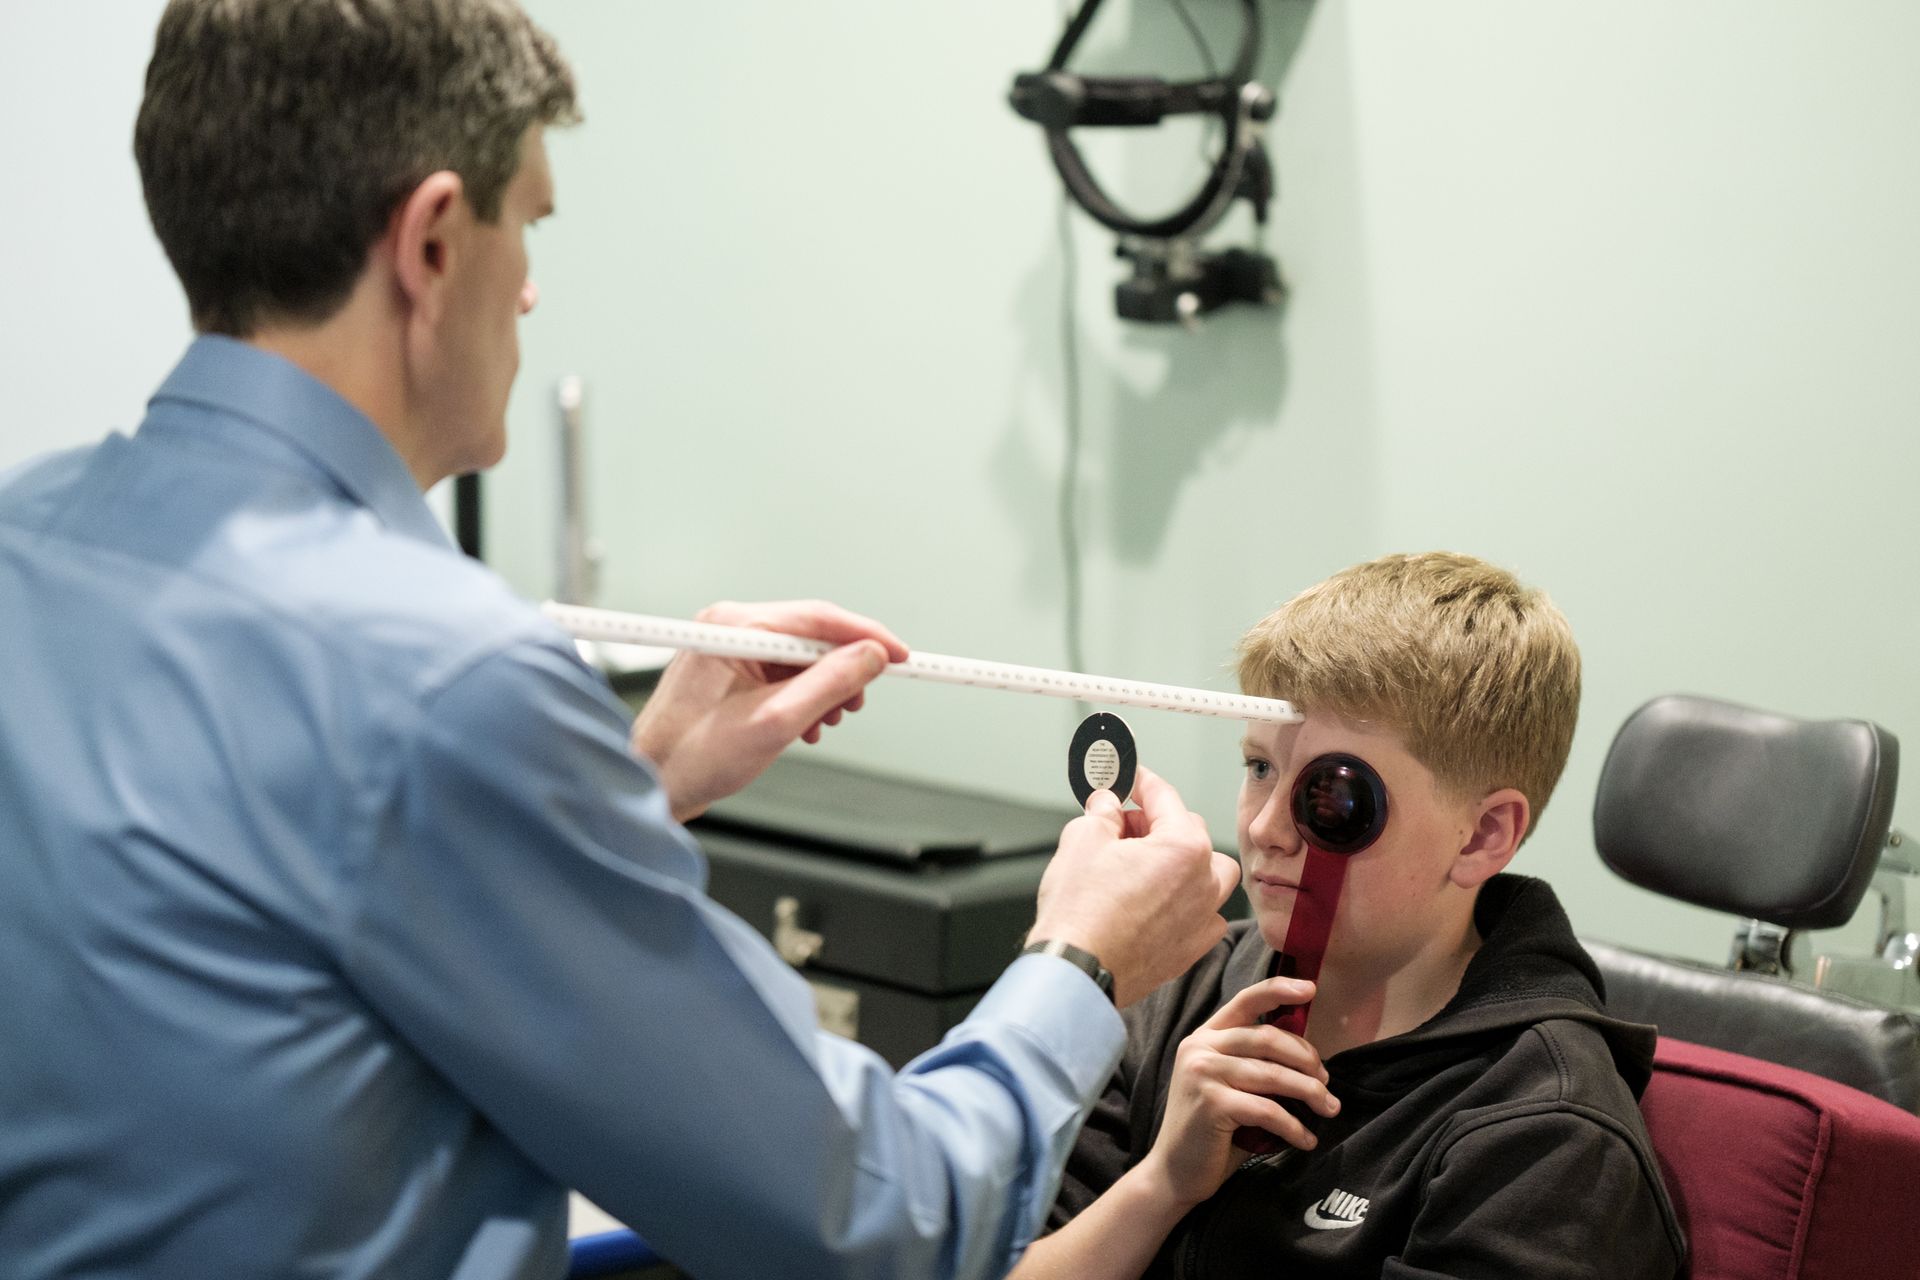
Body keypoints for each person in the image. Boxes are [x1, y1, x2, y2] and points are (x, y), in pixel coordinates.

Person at [0, 3, 1242, 1278]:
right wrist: (1081, 961)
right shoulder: (443, 679)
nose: (528, 284)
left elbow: (258, 946)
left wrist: (630, 788)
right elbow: (891, 1221)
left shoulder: (30, 546)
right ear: (432, 239)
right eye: (525, 223)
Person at [1010, 552, 1687, 1279]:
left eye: (1331, 794)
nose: (1267, 826)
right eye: (1259, 768)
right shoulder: (1182, 991)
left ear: (1484, 835)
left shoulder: (1543, 1140)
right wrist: (1159, 1188)